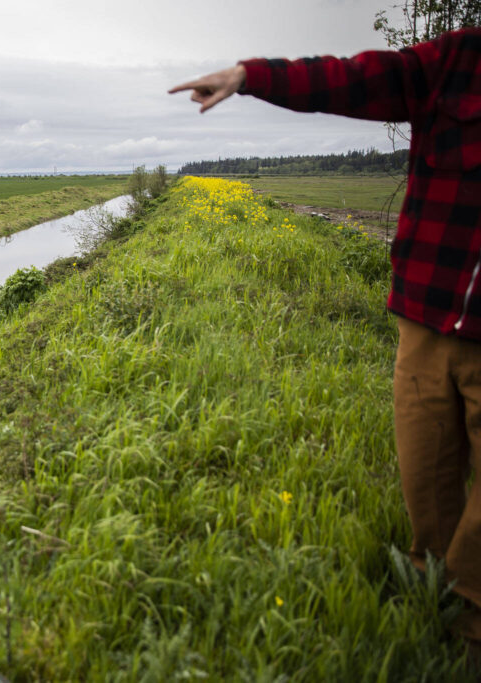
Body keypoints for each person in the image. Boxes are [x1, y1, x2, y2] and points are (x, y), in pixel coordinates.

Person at [170, 28, 481, 647]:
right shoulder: (460, 59)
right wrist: (251, 75)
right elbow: (357, 76)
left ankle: (469, 622)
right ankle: (432, 600)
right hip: (427, 314)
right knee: (427, 476)